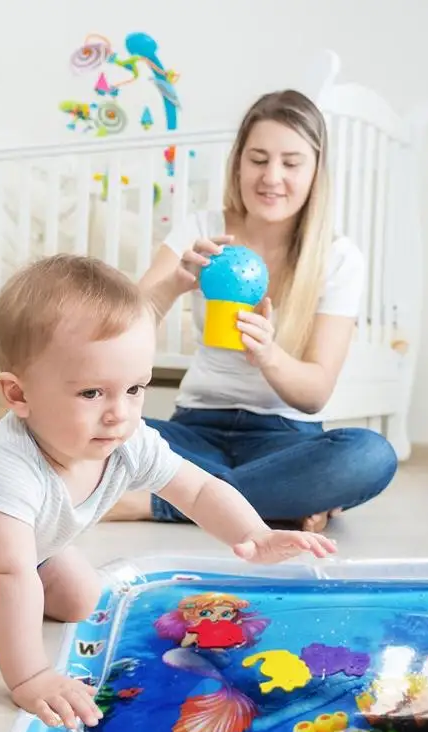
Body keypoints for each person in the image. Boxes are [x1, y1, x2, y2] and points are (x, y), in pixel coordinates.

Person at [0, 255, 336, 731]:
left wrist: (254, 533)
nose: (119, 413)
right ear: (19, 394)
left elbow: (197, 489)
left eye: (135, 388)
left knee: (82, 598)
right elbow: (9, 574)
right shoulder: (7, 468)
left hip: (30, 543)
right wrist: (30, 677)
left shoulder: (127, 438)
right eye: (92, 392)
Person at [104, 89, 398, 532]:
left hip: (284, 439)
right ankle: (276, 498)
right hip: (195, 431)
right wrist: (174, 283)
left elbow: (315, 393)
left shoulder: (338, 257)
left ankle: (158, 503)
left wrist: (269, 355)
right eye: (258, 159)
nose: (271, 177)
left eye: (291, 163)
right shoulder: (202, 229)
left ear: (316, 172)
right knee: (85, 427)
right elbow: (121, 335)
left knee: (370, 455)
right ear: (238, 163)